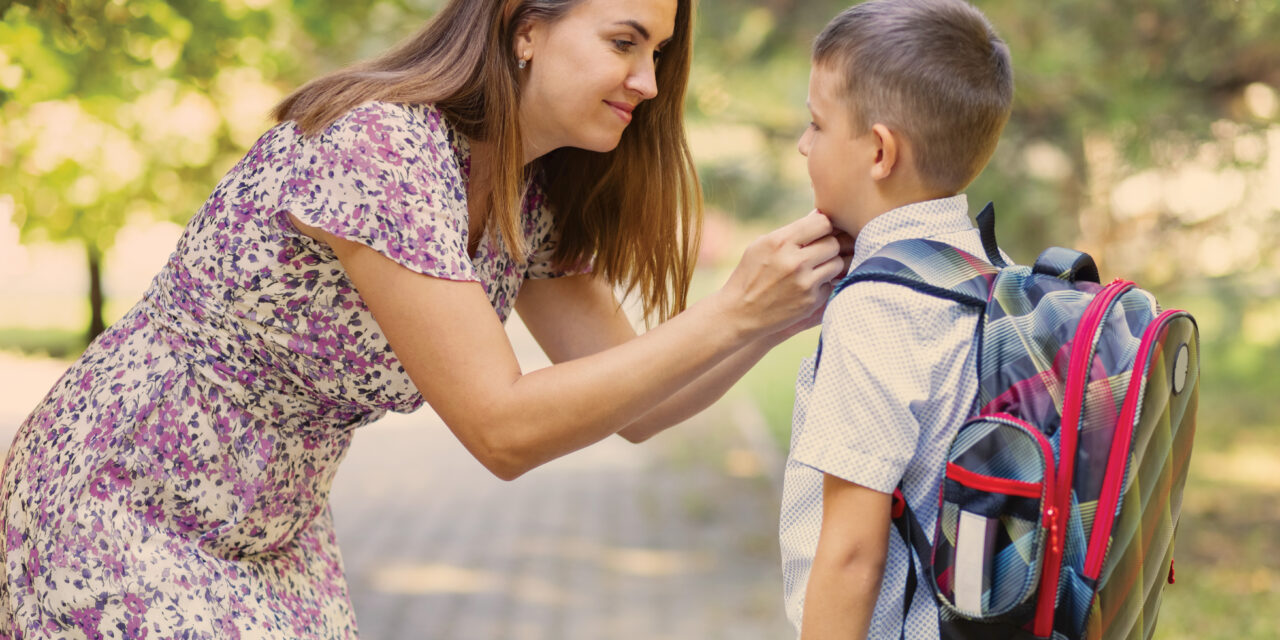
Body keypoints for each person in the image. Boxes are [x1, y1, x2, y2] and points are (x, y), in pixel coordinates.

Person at [0, 0, 851, 637]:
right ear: (525, 25)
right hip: (118, 501)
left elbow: (640, 407)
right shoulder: (383, 145)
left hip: (272, 532)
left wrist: (778, 313)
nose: (650, 82)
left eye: (658, 53)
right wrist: (735, 306)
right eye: (624, 42)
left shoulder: (530, 196)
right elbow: (501, 427)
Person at [777, 1, 1015, 638]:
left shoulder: (878, 307)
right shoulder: (999, 275)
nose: (804, 144)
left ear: (880, 151)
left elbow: (853, 554)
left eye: (816, 124)